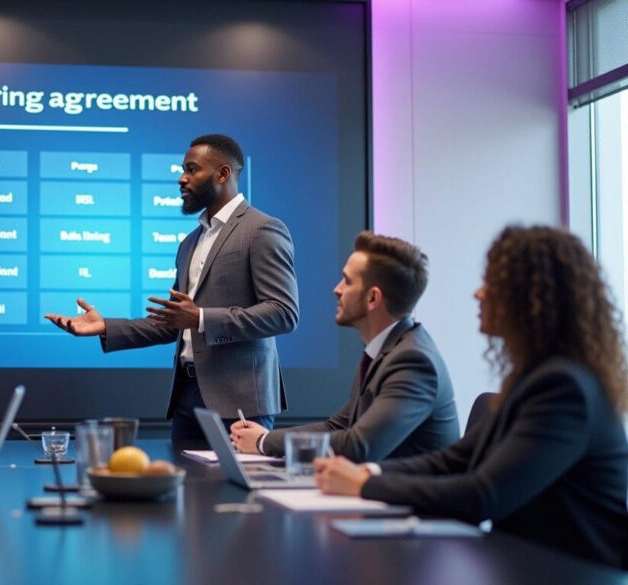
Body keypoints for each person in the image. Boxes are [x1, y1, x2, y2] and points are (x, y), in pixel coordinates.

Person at [315, 226, 628, 568]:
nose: (478, 293)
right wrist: (368, 474)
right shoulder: (536, 377)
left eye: (492, 283)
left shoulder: (563, 388)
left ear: (530, 301)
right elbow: (455, 460)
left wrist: (366, 486)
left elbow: (484, 495)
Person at [45, 134, 299, 440]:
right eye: (183, 169)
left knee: (234, 489)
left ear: (223, 174)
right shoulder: (189, 242)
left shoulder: (261, 229)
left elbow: (283, 313)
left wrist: (202, 318)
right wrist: (105, 327)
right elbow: (173, 324)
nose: (182, 179)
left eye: (192, 170)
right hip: (186, 398)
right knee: (186, 488)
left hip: (240, 404)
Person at [229, 232, 459, 461]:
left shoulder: (413, 362)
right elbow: (336, 426)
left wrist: (263, 442)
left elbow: (358, 445)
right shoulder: (385, 351)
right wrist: (264, 437)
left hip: (402, 496)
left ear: (373, 298)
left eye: (347, 281)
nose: (336, 289)